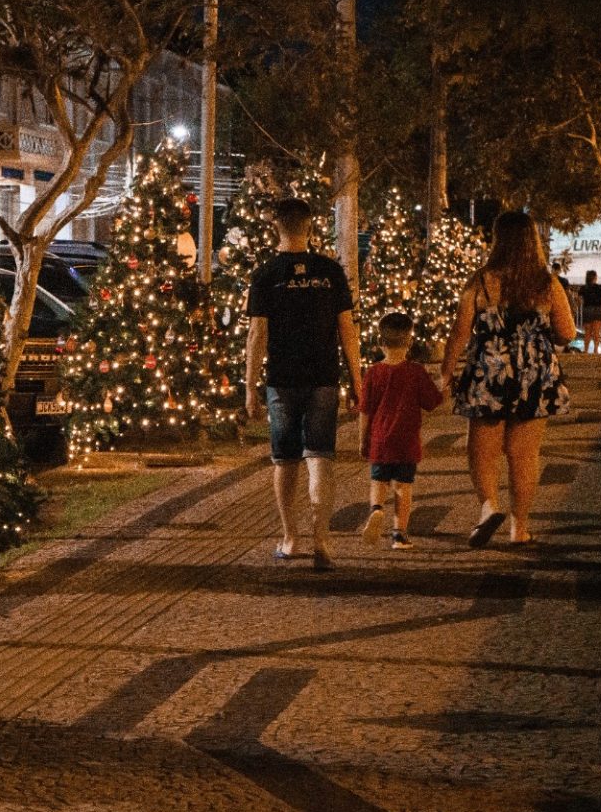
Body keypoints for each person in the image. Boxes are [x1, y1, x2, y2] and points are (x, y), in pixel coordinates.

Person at [441, 211, 575, 548]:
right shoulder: (547, 283)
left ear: (498, 240)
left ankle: (489, 507)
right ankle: (520, 529)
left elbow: (459, 332)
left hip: (489, 370)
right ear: (533, 241)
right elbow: (567, 332)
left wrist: (446, 372)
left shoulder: (482, 281)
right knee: (524, 454)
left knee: (482, 451)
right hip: (535, 374)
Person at [245, 196, 362, 571]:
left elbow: (257, 334)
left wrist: (249, 386)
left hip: (282, 379)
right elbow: (348, 330)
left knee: (285, 459)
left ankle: (290, 538)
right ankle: (322, 540)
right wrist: (357, 380)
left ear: (276, 227)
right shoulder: (330, 271)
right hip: (323, 376)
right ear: (310, 227)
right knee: (320, 457)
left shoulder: (266, 275)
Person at [359, 312, 444, 550]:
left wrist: (362, 440)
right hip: (406, 441)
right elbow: (431, 402)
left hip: (379, 440)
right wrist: (445, 390)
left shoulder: (373, 372)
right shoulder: (415, 372)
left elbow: (365, 410)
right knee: (403, 486)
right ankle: (399, 534)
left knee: (378, 480)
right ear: (410, 342)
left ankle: (376, 509)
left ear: (380, 342)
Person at [579, 270, 601, 354]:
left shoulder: (583, 288)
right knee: (597, 332)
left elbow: (579, 300)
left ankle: (586, 350)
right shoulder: (600, 288)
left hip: (587, 310)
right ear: (595, 277)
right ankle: (596, 350)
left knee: (587, 332)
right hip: (598, 310)